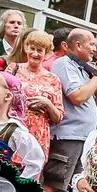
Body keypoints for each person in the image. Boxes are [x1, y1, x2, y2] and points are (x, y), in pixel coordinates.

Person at [47, 30, 97, 192]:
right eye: (92, 44)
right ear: (78, 45)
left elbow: (92, 104)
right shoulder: (64, 63)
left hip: (82, 138)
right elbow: (77, 97)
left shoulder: (81, 68)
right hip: (68, 137)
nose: (95, 49)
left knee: (70, 190)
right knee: (56, 187)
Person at [9, 29, 63, 164]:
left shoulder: (53, 79)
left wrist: (47, 104)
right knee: (5, 174)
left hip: (38, 134)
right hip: (13, 129)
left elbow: (58, 117)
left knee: (29, 179)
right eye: (32, 48)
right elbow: (0, 96)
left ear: (46, 53)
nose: (35, 53)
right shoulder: (13, 69)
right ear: (26, 48)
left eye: (40, 50)